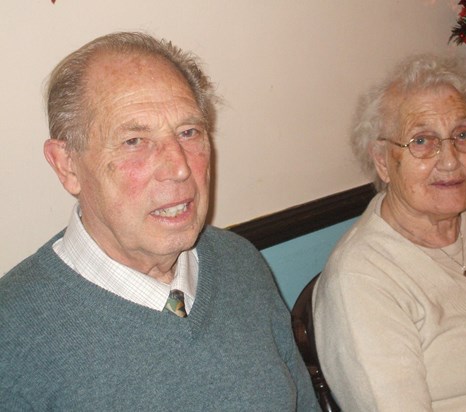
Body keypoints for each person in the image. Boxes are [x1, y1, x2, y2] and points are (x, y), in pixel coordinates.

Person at [0, 31, 320, 411]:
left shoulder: (239, 262)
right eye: (134, 140)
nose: (179, 168)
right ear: (68, 165)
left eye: (189, 133)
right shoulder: (12, 335)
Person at [313, 54, 466, 411]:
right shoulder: (361, 280)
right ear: (383, 162)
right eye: (422, 141)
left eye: (463, 135)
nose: (451, 159)